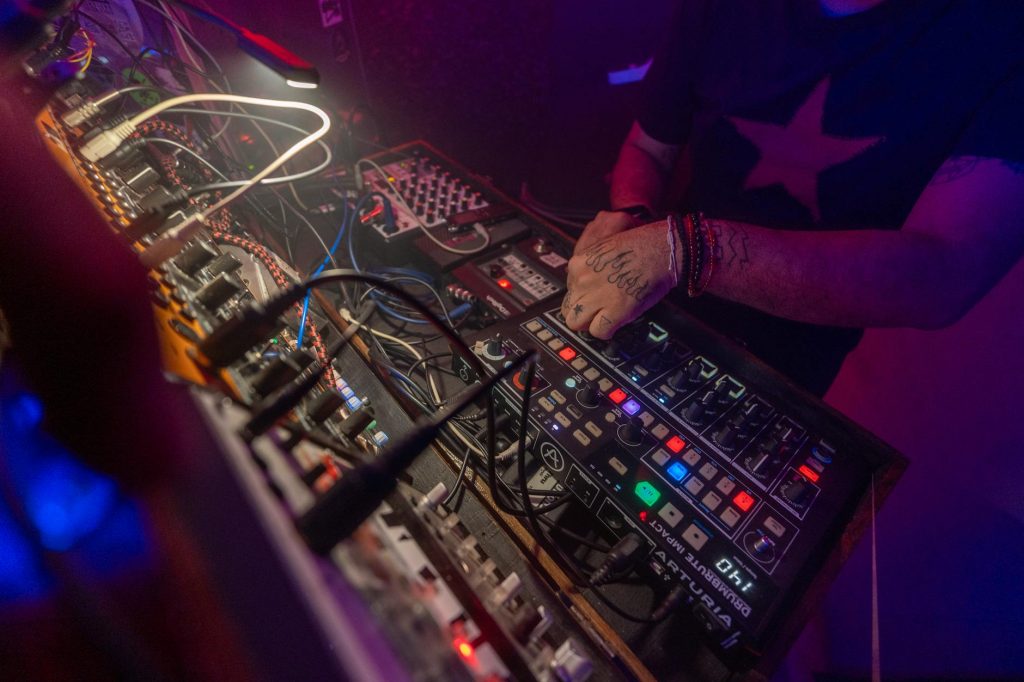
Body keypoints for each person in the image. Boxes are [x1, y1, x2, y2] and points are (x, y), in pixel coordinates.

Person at [563, 0, 1024, 395]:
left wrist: (691, 247)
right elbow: (648, 148)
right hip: (663, 300)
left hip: (786, 364)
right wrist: (633, 216)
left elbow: (944, 274)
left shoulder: (1001, 33)